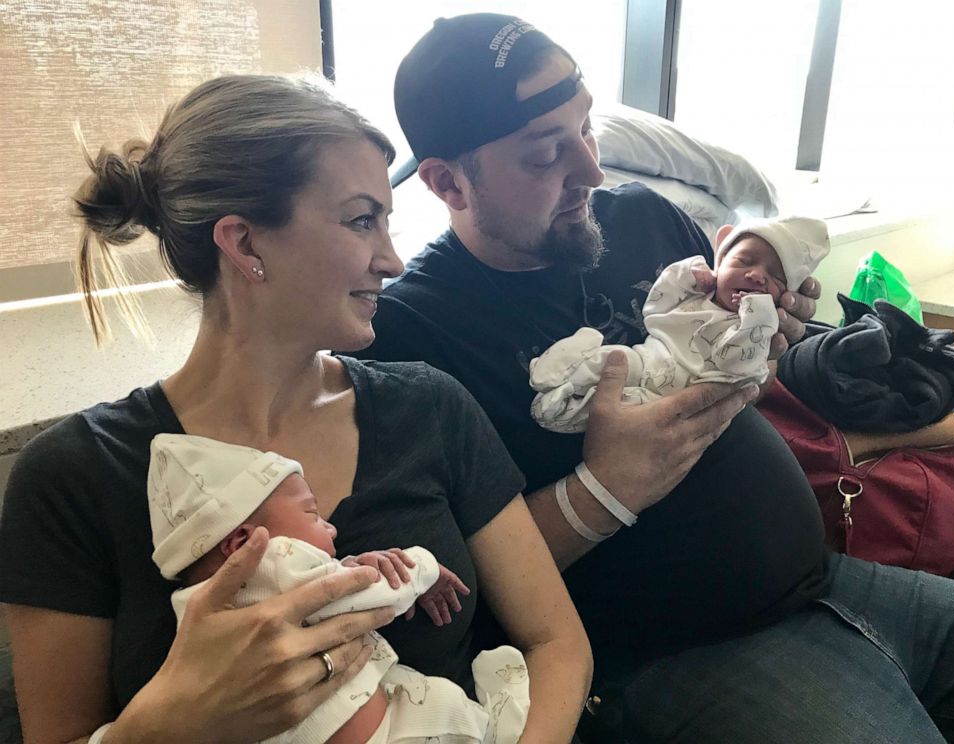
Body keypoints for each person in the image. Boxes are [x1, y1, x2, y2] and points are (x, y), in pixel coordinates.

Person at [358, 13, 954, 743]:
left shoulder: (644, 220)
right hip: (677, 656)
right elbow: (443, 592)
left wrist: (780, 345)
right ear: (447, 182)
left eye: (587, 128)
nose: (592, 170)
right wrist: (604, 491)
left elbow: (745, 370)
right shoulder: (408, 339)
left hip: (829, 580)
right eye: (545, 155)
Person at [0, 73, 590, 744]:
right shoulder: (74, 478)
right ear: (244, 244)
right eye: (361, 219)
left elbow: (555, 643)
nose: (393, 260)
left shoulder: (430, 408)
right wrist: (168, 723)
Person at [146, 432, 529, 744]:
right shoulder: (276, 559)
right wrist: (423, 568)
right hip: (387, 734)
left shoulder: (190, 609)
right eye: (312, 514)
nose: (332, 529)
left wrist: (343, 566)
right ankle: (497, 724)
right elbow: (375, 595)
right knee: (446, 705)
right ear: (243, 543)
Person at [529, 215, 830, 432]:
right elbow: (656, 307)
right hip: (646, 360)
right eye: (744, 261)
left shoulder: (750, 332)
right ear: (720, 261)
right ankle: (555, 377)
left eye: (775, 277)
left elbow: (737, 365)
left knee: (609, 412)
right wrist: (687, 274)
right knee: (609, 359)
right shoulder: (693, 299)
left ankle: (558, 409)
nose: (756, 275)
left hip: (672, 400)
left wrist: (756, 315)